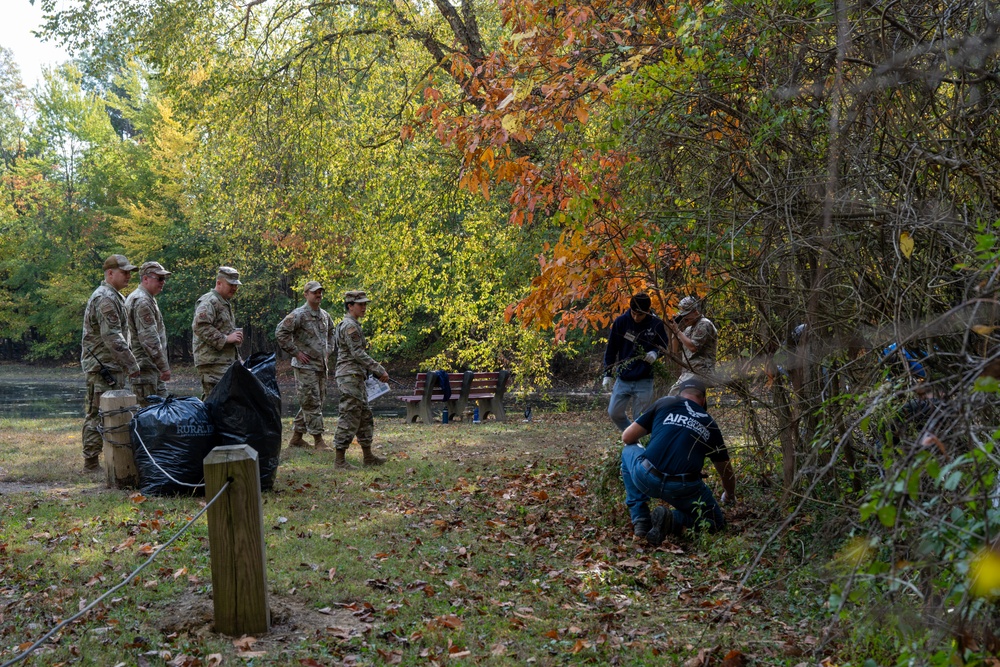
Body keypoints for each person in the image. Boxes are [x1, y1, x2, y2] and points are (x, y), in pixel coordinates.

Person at [620, 378, 736, 545]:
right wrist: (729, 495)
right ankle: (674, 519)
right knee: (716, 522)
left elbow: (627, 437)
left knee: (628, 449)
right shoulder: (710, 424)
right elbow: (726, 471)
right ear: (703, 400)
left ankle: (641, 520)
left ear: (680, 394)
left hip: (647, 476)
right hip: (682, 488)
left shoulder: (665, 402)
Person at [80, 254, 141, 471]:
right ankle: (91, 462)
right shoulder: (105, 298)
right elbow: (112, 336)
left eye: (129, 272)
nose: (128, 276)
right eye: (124, 272)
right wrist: (132, 364)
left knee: (110, 412)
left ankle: (110, 458)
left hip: (110, 365)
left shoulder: (114, 296)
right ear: (110, 273)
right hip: (102, 367)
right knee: (98, 413)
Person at [275, 281, 337, 450]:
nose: (319, 295)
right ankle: (318, 441)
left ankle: (296, 439)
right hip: (305, 366)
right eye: (315, 292)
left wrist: (329, 350)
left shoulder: (324, 315)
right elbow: (280, 332)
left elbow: (332, 333)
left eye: (320, 292)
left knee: (316, 401)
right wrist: (295, 352)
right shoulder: (299, 314)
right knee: (311, 401)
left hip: (321, 366)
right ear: (306, 294)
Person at [333, 290, 390, 469]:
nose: (364, 307)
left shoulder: (351, 324)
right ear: (350, 306)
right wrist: (378, 369)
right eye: (360, 304)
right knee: (349, 415)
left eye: (365, 304)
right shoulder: (349, 326)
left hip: (355, 375)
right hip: (349, 376)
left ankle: (368, 456)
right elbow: (357, 353)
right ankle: (339, 460)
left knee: (364, 415)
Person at [602, 293, 670, 432]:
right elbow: (611, 349)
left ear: (647, 311)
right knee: (614, 412)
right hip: (624, 376)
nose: (636, 317)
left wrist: (655, 353)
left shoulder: (656, 324)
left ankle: (640, 445)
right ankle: (631, 436)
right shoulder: (621, 322)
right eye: (633, 314)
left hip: (644, 378)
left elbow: (664, 346)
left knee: (640, 418)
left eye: (640, 315)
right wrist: (607, 374)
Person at [192, 266, 243, 399]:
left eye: (236, 285)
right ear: (219, 283)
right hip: (212, 364)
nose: (234, 288)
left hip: (222, 362)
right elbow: (200, 326)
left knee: (223, 404)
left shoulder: (223, 302)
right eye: (231, 284)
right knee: (217, 404)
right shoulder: (209, 301)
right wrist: (225, 339)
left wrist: (238, 358)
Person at [125, 261, 172, 407]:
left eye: (164, 279)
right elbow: (149, 339)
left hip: (150, 368)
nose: (163, 282)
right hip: (145, 370)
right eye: (159, 278)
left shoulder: (146, 298)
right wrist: (163, 366)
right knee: (150, 415)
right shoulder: (142, 301)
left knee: (162, 412)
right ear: (145, 279)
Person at [667, 295, 718, 395]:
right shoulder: (688, 329)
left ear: (695, 311)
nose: (685, 318)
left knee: (674, 395)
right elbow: (675, 350)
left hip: (701, 371)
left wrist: (678, 332)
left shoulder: (704, 324)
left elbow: (693, 347)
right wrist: (675, 332)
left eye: (687, 315)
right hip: (689, 372)